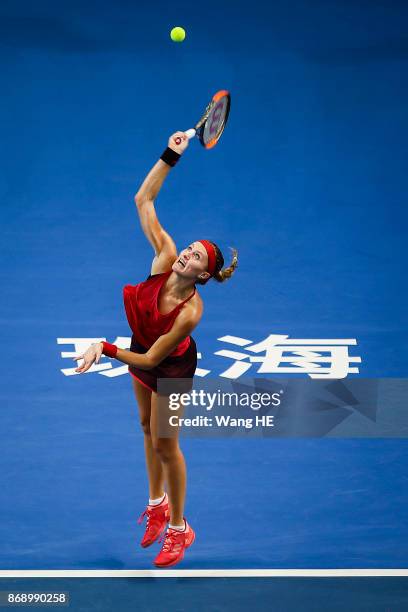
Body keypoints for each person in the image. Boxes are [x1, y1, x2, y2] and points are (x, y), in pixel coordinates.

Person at [74, 131, 238, 567]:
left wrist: (103, 347)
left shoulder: (190, 311)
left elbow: (150, 361)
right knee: (145, 427)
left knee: (167, 444)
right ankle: (156, 503)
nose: (187, 253)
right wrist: (171, 155)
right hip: (142, 346)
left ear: (204, 275)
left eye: (198, 257)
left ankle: (180, 529)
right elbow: (142, 201)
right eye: (190, 248)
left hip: (170, 366)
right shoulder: (163, 256)